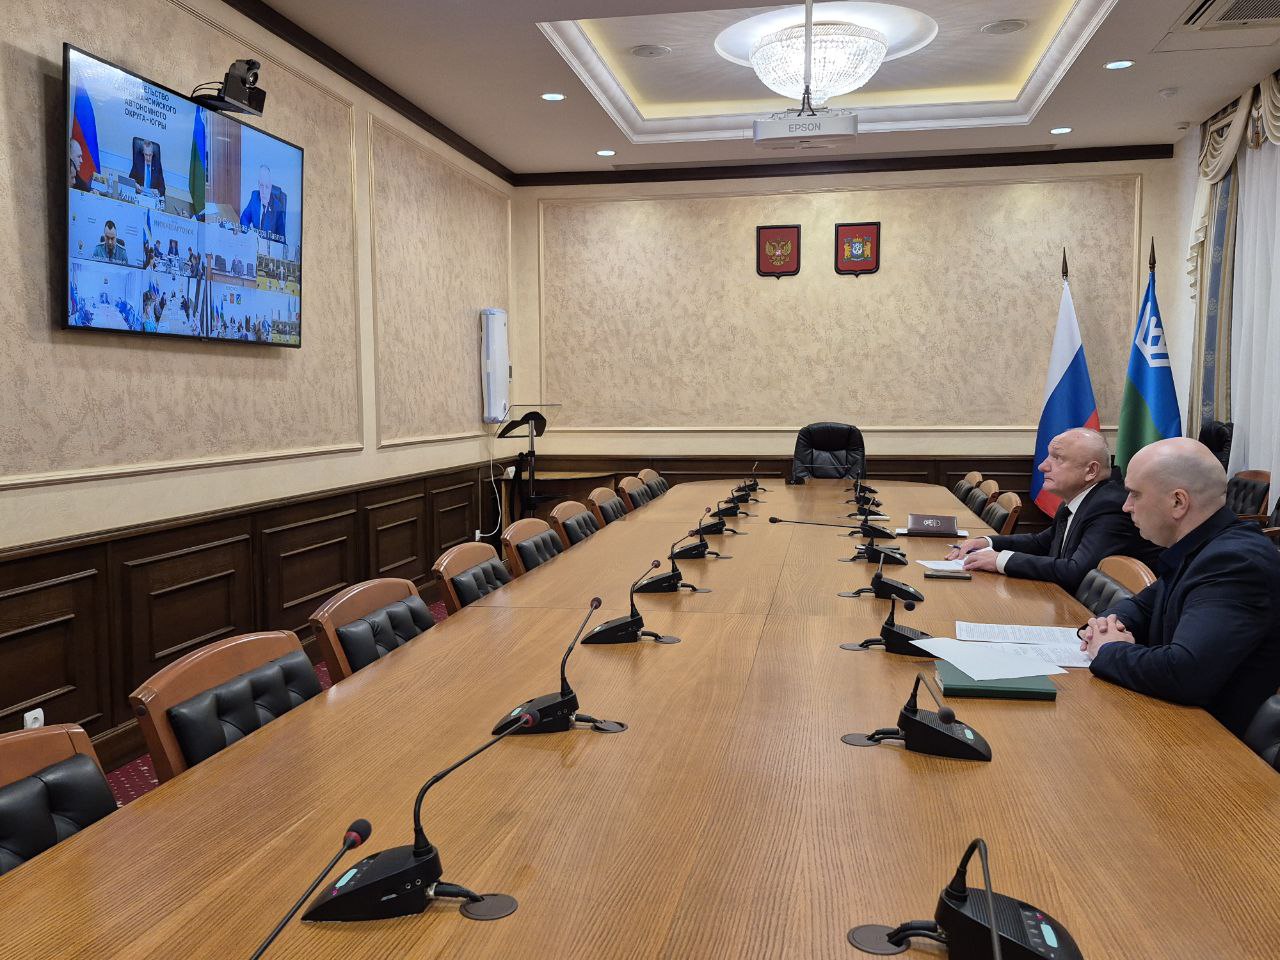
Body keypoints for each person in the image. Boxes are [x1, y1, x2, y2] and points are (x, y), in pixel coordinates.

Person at [1080, 438, 1280, 738]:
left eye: (1135, 494)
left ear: (1178, 502)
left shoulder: (1234, 562)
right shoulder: (1200, 546)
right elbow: (1143, 606)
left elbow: (1185, 674)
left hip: (1212, 746)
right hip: (1175, 723)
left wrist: (1108, 649)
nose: (1126, 506)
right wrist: (1108, 625)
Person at [947, 428, 1160, 591]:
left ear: (1091, 471)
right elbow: (1042, 542)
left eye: (1057, 458)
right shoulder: (1081, 497)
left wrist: (1001, 560)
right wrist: (986, 542)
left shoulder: (1110, 506)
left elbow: (1076, 571)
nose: (1043, 466)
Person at [239, 165, 286, 239]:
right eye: (261, 185)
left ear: (271, 187)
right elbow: (245, 217)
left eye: (267, 187)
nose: (263, 191)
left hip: (268, 245)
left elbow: (281, 238)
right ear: (258, 184)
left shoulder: (278, 207)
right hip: (254, 243)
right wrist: (247, 234)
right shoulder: (254, 197)